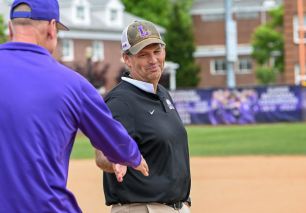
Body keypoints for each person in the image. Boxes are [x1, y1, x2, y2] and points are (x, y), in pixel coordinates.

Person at [0, 0, 149, 212]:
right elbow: (113, 140)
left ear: (9, 28)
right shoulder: (72, 84)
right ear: (52, 29)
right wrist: (133, 156)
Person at [95, 20, 191, 213]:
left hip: (173, 207)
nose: (153, 60)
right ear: (127, 59)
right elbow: (102, 154)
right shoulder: (121, 101)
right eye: (143, 55)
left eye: (157, 51)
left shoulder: (162, 93)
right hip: (142, 208)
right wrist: (117, 158)